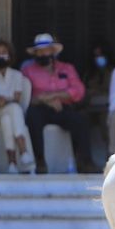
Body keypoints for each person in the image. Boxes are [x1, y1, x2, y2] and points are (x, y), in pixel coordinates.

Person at [21, 33, 96, 174]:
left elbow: (78, 91)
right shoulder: (27, 71)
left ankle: (85, 162)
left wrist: (54, 95)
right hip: (40, 108)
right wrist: (44, 100)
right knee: (33, 117)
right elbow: (25, 96)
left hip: (63, 107)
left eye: (46, 50)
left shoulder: (67, 69)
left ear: (53, 52)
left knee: (81, 120)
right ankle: (40, 161)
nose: (43, 54)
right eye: (40, 51)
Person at [0, 39, 32, 173]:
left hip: (9, 111)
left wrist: (5, 100)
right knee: (14, 109)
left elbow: (17, 98)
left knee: (7, 119)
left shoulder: (17, 75)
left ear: (9, 55)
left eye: (4, 52)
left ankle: (12, 164)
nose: (1, 55)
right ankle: (23, 151)